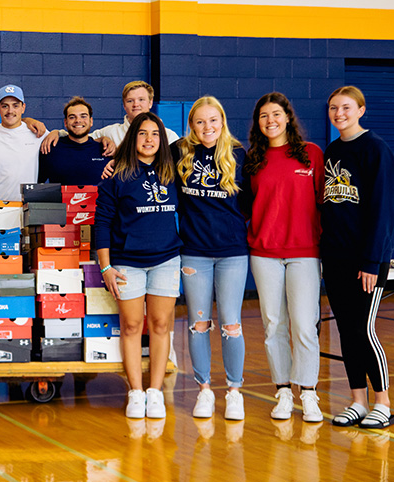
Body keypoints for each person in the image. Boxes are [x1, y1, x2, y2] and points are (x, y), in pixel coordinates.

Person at [244, 92, 325, 423]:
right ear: (258, 123)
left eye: (276, 114)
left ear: (288, 117)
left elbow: (325, 202)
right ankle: (282, 393)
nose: (270, 121)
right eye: (263, 116)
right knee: (273, 325)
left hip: (305, 253)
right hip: (264, 253)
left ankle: (308, 393)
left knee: (305, 326)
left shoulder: (311, 155)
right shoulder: (253, 160)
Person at [322, 86, 394, 428]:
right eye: (334, 108)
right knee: (345, 331)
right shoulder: (333, 150)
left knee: (364, 329)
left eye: (346, 108)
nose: (339, 113)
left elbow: (384, 211)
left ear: (361, 110)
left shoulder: (377, 150)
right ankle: (357, 400)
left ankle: (382, 402)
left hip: (366, 261)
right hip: (335, 258)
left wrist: (371, 261)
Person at [94, 112, 181, 419]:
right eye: (142, 133)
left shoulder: (173, 173)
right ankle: (135, 392)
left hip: (167, 260)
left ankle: (155, 392)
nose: (148, 139)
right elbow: (101, 224)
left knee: (160, 325)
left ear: (162, 139)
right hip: (127, 262)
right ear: (132, 138)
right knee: (131, 326)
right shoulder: (116, 177)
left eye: (155, 134)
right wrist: (105, 267)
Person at [173, 97, 249, 421]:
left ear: (222, 121)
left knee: (231, 324)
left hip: (232, 252)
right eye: (200, 121)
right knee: (198, 324)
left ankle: (234, 392)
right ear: (192, 125)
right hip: (194, 252)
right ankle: (204, 390)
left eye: (213, 120)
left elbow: (247, 204)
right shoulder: (179, 152)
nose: (208, 127)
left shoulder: (238, 154)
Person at [42, 81, 180, 156]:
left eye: (141, 100)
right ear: (124, 105)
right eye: (130, 101)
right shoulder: (109, 133)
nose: (136, 104)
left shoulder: (169, 136)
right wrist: (58, 133)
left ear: (150, 103)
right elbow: (80, 136)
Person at [0, 84, 46, 201]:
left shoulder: (38, 133)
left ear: (23, 108)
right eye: (5, 106)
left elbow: (68, 138)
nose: (10, 111)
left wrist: (56, 132)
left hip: (28, 205)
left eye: (15, 106)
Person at [38, 96, 111, 185]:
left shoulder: (105, 150)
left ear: (91, 121)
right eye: (72, 117)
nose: (78, 121)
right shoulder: (51, 148)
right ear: (65, 122)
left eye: (83, 116)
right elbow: (37, 184)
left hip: (98, 199)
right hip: (59, 199)